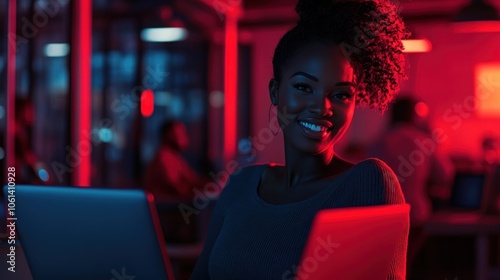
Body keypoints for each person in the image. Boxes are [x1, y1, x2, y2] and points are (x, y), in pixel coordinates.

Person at [191, 0, 409, 279]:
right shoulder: (240, 185)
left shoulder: (368, 183)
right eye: (304, 87)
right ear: (275, 91)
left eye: (341, 94)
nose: (322, 107)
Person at [368, 96, 455, 278]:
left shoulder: (380, 141)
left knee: (390, 264)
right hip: (415, 214)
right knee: (408, 262)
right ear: (415, 116)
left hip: (384, 214)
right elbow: (445, 175)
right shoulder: (422, 141)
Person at [142, 121, 209, 200]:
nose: (185, 137)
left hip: (175, 205)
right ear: (168, 135)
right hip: (167, 208)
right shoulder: (164, 157)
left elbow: (192, 180)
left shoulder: (175, 156)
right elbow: (177, 188)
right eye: (180, 133)